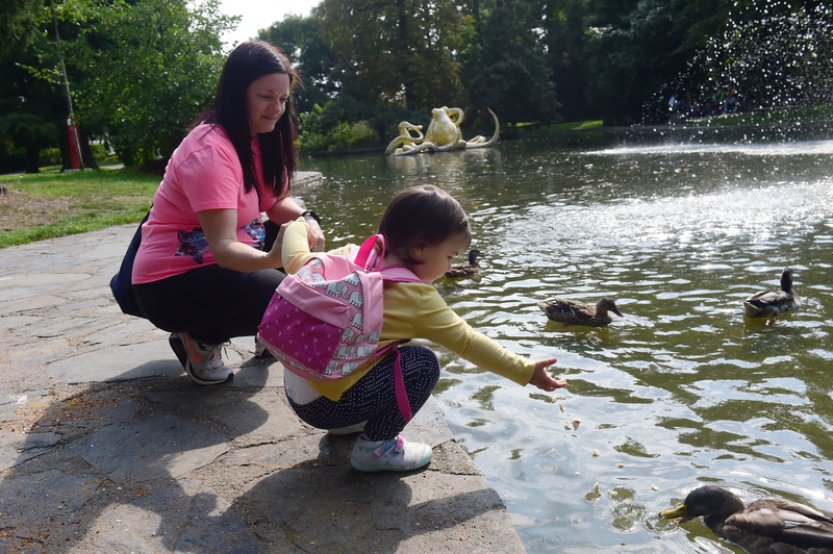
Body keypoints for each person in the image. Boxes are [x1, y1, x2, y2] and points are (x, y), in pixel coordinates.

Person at [279, 184, 568, 472]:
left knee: (373, 346)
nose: (448, 267)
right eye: (450, 257)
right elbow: (468, 342)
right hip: (328, 407)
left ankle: (349, 424)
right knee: (421, 363)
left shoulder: (353, 255)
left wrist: (301, 223)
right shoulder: (415, 297)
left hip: (298, 392)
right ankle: (376, 448)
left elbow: (294, 260)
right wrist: (526, 371)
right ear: (419, 249)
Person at [132, 40, 325, 386]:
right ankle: (200, 338)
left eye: (282, 99)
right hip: (170, 284)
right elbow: (223, 247)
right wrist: (271, 259)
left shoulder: (259, 137)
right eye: (266, 97)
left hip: (219, 264)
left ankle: (267, 330)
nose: (276, 109)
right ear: (238, 93)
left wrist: (307, 218)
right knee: (288, 298)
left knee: (301, 233)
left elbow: (276, 202)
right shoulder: (211, 151)